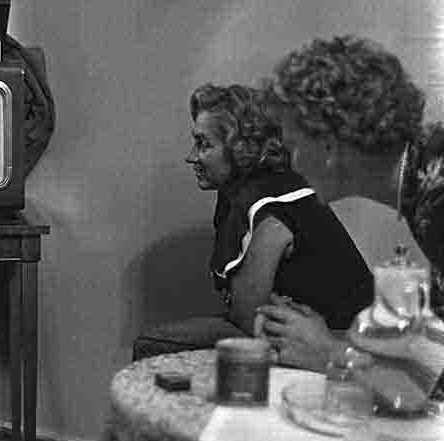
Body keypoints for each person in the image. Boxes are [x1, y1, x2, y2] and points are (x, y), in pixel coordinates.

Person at [257, 34, 444, 372]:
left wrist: (330, 352)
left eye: (294, 145)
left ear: (328, 146)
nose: (293, 163)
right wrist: (337, 341)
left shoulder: (436, 201)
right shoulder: (426, 175)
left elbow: (432, 383)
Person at [149, 83, 374, 349]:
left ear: (239, 147)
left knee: (155, 345)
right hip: (295, 333)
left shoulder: (270, 201)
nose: (192, 157)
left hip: (343, 345)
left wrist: (263, 308)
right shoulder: (237, 193)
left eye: (203, 144)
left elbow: (247, 315)